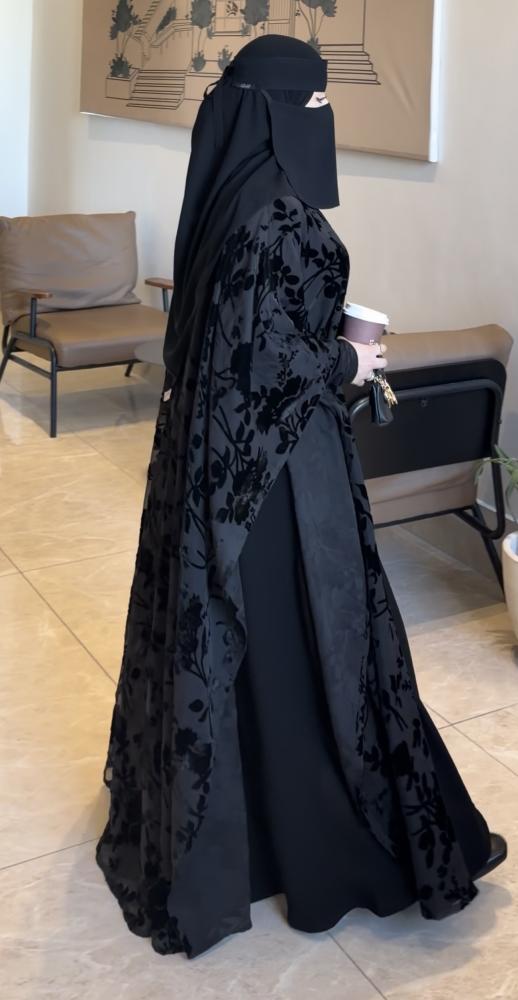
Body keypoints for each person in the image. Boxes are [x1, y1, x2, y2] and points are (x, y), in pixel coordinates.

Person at [96, 34, 507, 959]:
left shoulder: (225, 198)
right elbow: (268, 368)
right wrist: (350, 361)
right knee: (310, 640)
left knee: (260, 645)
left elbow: (232, 348)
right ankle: (322, 842)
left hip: (226, 470)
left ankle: (252, 835)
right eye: (317, 104)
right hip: (283, 475)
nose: (326, 118)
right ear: (282, 112)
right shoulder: (279, 217)